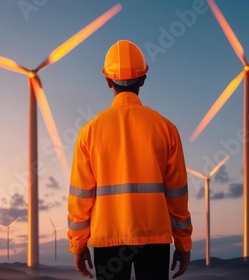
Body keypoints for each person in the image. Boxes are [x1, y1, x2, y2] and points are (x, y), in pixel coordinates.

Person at [67, 40, 193, 280]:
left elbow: (80, 197)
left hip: (108, 239)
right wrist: (183, 242)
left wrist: (78, 245)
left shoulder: (89, 132)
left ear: (107, 81)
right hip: (154, 239)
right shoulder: (166, 128)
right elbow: (178, 196)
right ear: (143, 79)